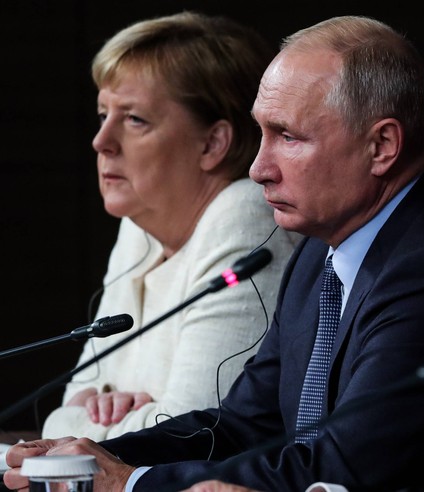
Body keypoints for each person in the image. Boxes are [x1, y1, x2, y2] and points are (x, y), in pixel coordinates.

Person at [4, 15, 424, 492]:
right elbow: (241, 426)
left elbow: (343, 469)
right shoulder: (319, 255)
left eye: (288, 137)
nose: (258, 168)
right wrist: (93, 457)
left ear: (381, 147)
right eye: (261, 133)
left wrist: (132, 484)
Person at [39, 12, 301, 442]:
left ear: (213, 143)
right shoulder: (140, 226)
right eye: (103, 114)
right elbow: (62, 410)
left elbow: (192, 435)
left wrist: (82, 420)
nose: (101, 141)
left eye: (134, 119)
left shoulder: (245, 217)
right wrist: (80, 419)